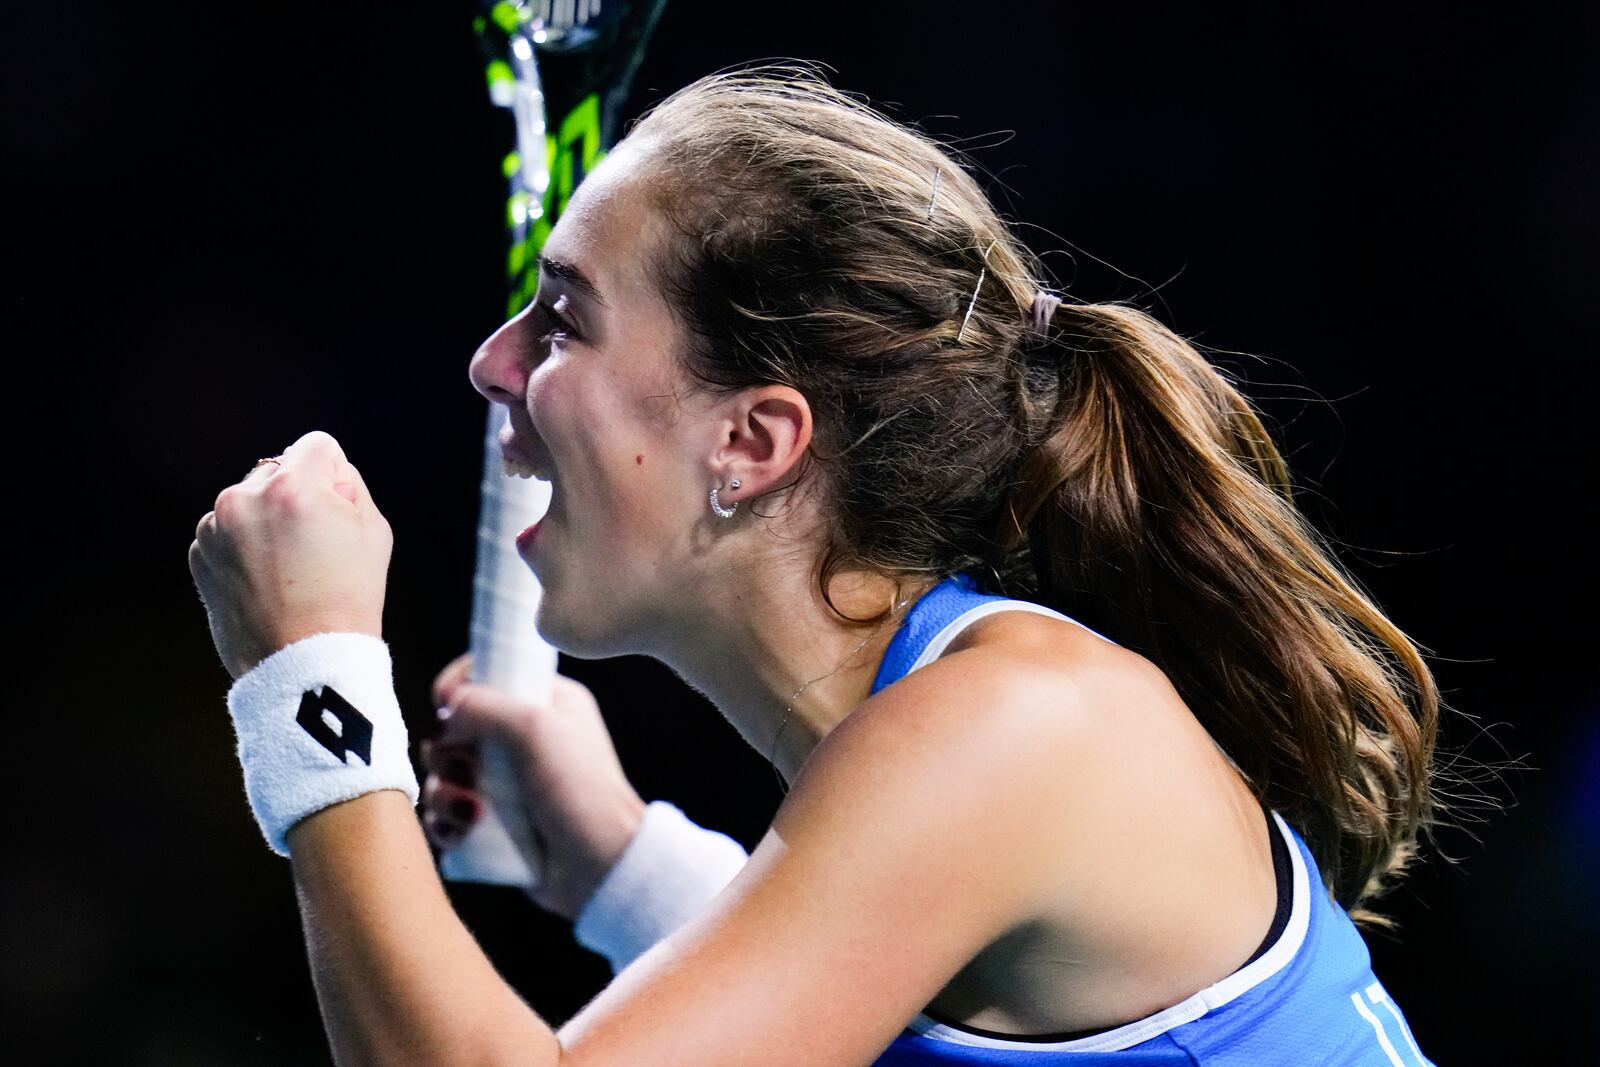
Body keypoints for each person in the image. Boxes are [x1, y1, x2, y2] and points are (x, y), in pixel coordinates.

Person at [188, 66, 1441, 1065]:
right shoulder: (976, 720)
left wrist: (313, 681)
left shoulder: (1015, 727)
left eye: (563, 316)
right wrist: (620, 861)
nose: (491, 362)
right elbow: (867, 989)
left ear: (752, 441)